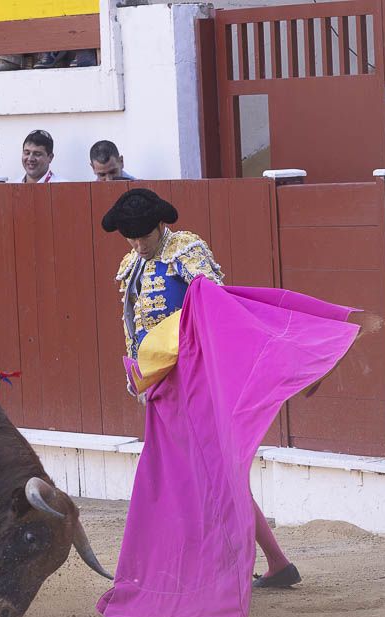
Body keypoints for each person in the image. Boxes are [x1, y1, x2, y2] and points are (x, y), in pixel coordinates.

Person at [102, 188, 301, 590]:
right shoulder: (131, 264)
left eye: (144, 235)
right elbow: (132, 323)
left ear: (162, 225)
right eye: (131, 237)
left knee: (211, 475)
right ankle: (273, 562)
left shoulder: (186, 250)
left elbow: (215, 307)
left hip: (196, 380)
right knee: (206, 476)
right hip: (162, 385)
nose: (138, 244)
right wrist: (138, 373)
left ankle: (241, 564)